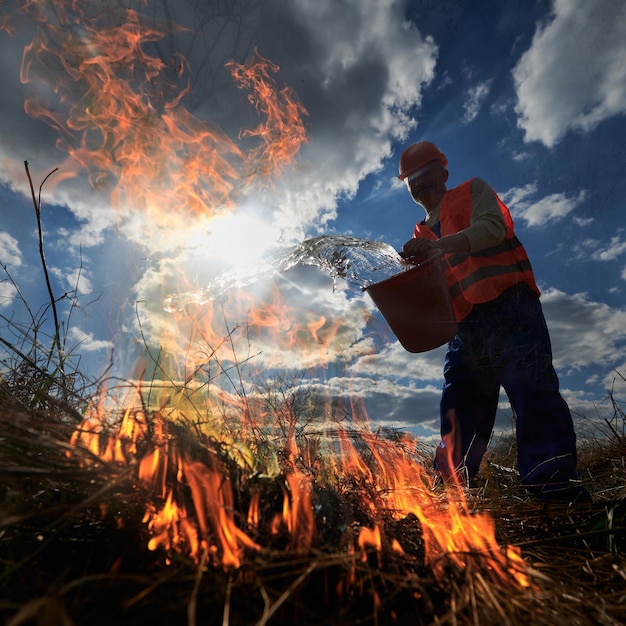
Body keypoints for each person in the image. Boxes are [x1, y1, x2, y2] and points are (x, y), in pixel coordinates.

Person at [398, 141, 589, 502]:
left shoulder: (473, 191)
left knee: (533, 394)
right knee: (459, 408)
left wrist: (441, 246)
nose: (420, 184)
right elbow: (426, 294)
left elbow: (492, 228)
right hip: (466, 326)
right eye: (412, 180)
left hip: (511, 307)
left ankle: (555, 492)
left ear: (443, 172)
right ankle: (451, 495)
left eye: (426, 175)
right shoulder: (418, 236)